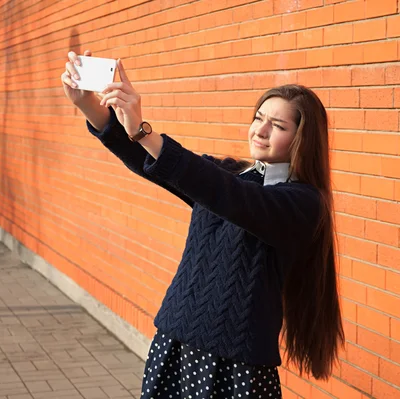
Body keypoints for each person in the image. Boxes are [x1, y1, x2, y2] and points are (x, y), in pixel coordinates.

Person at [62, 50, 345, 398]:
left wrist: (142, 129)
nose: (261, 130)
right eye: (258, 118)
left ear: (303, 139)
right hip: (175, 342)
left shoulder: (301, 202)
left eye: (279, 125)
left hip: (236, 365)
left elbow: (228, 195)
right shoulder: (230, 172)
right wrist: (88, 105)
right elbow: (152, 161)